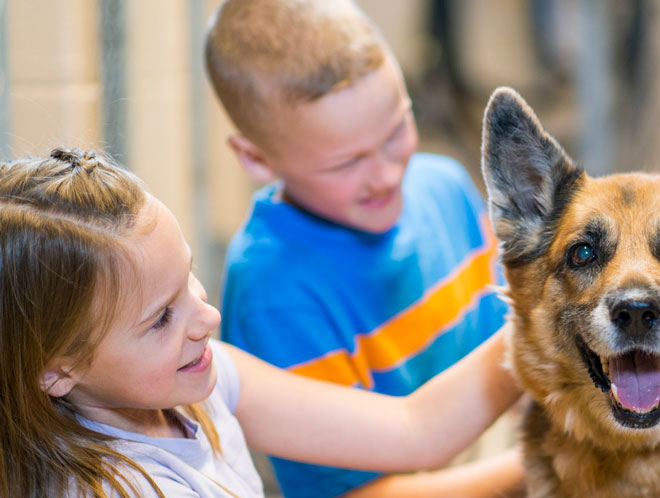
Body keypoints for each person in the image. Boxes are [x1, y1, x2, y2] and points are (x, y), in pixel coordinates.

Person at [0, 149, 521, 498]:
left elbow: (416, 430)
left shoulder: (195, 378)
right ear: (58, 370)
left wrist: (544, 328)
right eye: (162, 317)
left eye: (189, 278)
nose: (208, 316)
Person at [203, 1, 516, 496]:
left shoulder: (446, 186)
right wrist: (546, 466)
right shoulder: (275, 291)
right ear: (256, 158)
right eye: (345, 163)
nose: (387, 174)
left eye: (396, 130)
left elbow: (511, 352)